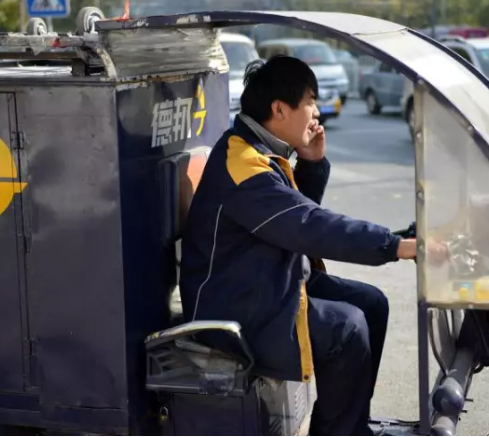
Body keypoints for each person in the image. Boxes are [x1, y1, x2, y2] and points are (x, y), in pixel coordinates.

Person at [179, 55, 422, 436]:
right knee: (347, 329)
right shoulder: (242, 162)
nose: (317, 111)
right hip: (236, 302)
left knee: (372, 303)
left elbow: (289, 221)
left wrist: (311, 163)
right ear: (279, 108)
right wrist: (394, 246)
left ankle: (349, 423)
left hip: (265, 280)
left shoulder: (258, 150)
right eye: (310, 100)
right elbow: (307, 225)